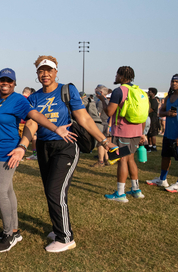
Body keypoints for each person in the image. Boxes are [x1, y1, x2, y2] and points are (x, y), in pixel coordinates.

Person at [26, 57, 116, 253]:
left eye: (49, 70)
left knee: (54, 191)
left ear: (56, 72)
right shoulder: (34, 97)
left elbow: (83, 118)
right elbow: (32, 123)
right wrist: (22, 144)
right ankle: (59, 229)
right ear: (37, 73)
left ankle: (65, 237)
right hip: (43, 146)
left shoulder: (67, 90)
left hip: (66, 147)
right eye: (41, 71)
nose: (45, 74)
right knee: (52, 191)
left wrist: (103, 140)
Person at [0, 67, 76, 253]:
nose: (5, 84)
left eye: (9, 81)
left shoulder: (18, 100)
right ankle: (15, 230)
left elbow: (35, 117)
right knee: (7, 191)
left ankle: (9, 234)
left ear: (14, 83)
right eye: (3, 80)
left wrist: (55, 128)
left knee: (0, 192)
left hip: (8, 153)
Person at [96, 66, 147, 202]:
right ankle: (136, 190)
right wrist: (141, 132)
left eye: (117, 75)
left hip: (122, 131)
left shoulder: (119, 91)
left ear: (122, 76)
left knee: (122, 160)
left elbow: (109, 112)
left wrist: (102, 100)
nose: (115, 77)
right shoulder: (138, 90)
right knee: (130, 159)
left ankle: (120, 193)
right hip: (136, 131)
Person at [146, 74, 178, 191]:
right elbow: (160, 112)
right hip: (168, 133)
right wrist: (168, 114)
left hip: (177, 134)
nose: (174, 83)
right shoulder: (169, 97)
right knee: (165, 156)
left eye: (176, 81)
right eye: (172, 81)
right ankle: (162, 179)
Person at [92, 84, 110, 167]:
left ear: (101, 92)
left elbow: (98, 114)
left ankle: (100, 161)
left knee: (100, 143)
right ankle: (106, 159)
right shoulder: (109, 101)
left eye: (96, 92)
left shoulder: (100, 103)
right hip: (108, 125)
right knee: (106, 143)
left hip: (102, 124)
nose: (95, 94)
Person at [147, 87, 160, 152]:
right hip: (148, 118)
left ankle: (154, 146)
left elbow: (151, 110)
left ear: (153, 93)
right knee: (149, 133)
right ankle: (150, 146)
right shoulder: (148, 100)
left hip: (153, 119)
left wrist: (144, 112)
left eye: (150, 92)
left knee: (152, 134)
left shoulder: (154, 101)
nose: (148, 93)